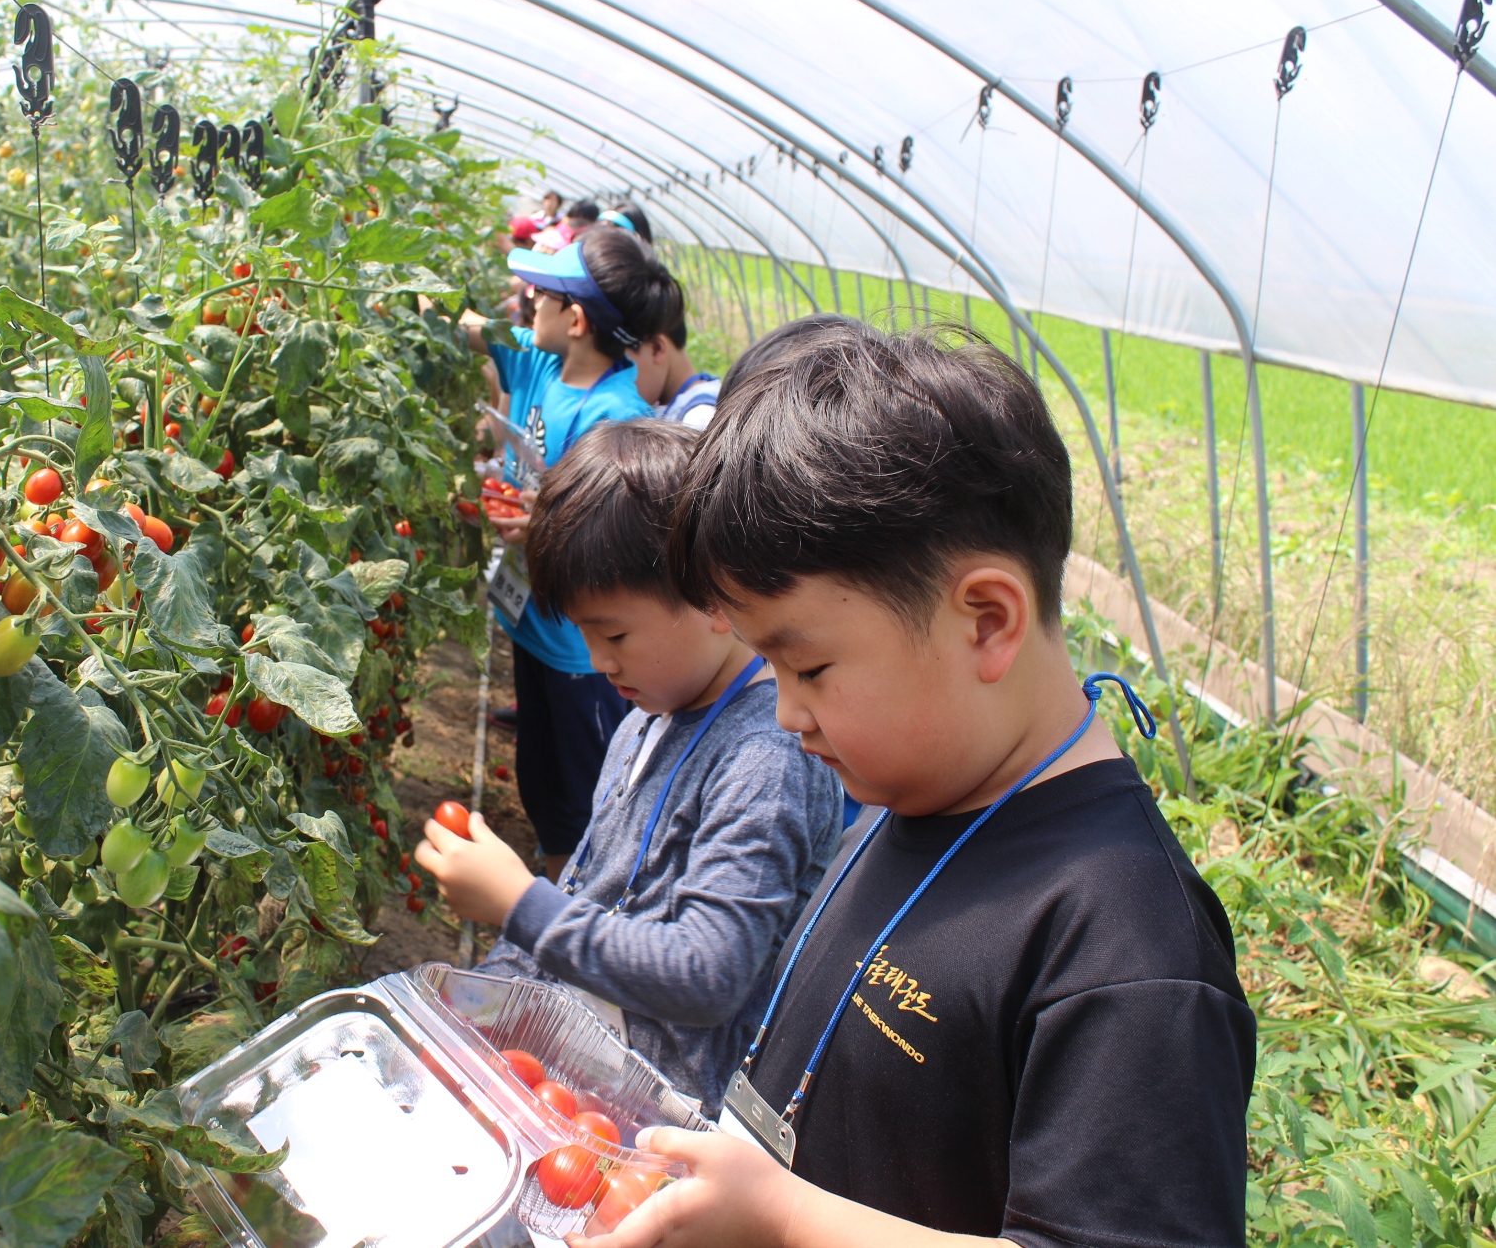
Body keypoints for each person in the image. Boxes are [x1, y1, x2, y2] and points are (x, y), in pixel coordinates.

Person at [572, 319, 1256, 1248]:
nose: (785, 714)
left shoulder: (1123, 945)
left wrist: (779, 1215)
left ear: (984, 620)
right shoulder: (917, 796)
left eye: (808, 668)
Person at [416, 420, 844, 1115]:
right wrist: (483, 998)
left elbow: (709, 974)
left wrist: (521, 903)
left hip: (646, 1118)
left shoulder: (768, 759)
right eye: (583, 632)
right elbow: (593, 888)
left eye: (613, 633)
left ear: (714, 601)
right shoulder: (647, 716)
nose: (596, 660)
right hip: (572, 1065)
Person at [452, 230, 678, 880]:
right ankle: (556, 878)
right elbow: (473, 328)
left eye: (538, 294)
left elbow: (616, 543)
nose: (526, 304)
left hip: (582, 650)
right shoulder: (539, 363)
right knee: (540, 776)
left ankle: (573, 905)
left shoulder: (616, 419)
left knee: (579, 797)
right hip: (532, 620)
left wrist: (543, 525)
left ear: (574, 319)